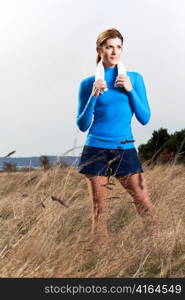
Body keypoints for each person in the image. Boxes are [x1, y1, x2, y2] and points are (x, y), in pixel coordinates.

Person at [76, 28, 158, 240]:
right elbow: (82, 124)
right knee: (100, 211)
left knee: (144, 202)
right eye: (109, 46)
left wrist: (130, 90)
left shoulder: (134, 78)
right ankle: (98, 260)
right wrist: (93, 95)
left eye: (118, 47)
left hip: (125, 148)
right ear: (99, 49)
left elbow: (145, 118)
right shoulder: (88, 83)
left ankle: (159, 247)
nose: (114, 52)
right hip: (95, 149)